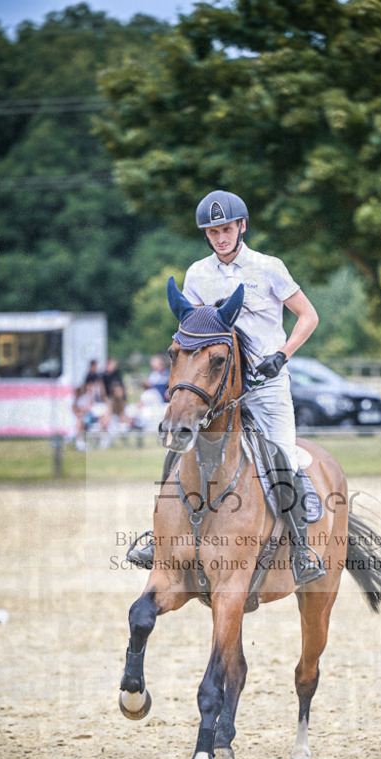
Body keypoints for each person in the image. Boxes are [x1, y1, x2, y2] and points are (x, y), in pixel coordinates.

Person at [129, 189, 324, 587]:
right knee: (178, 446)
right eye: (213, 232)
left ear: (242, 227)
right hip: (219, 389)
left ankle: (301, 549)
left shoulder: (269, 267)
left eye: (227, 229)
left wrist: (282, 355)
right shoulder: (197, 274)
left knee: (284, 457)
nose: (220, 238)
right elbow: (193, 333)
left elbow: (308, 316)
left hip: (267, 386)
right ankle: (159, 538)